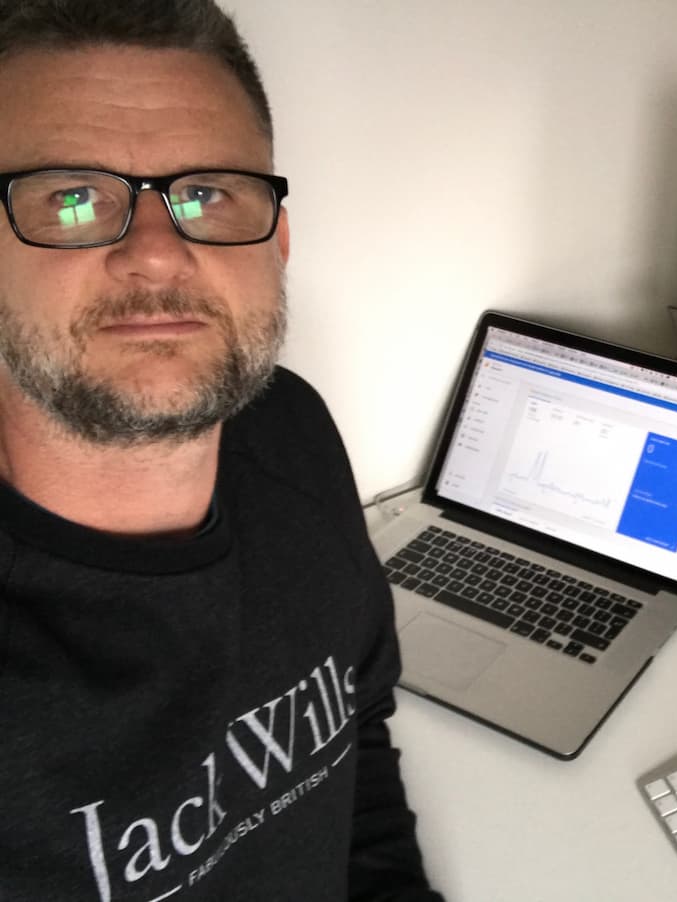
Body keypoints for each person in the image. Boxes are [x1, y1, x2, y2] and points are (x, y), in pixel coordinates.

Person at [0, 2, 443, 900]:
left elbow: (354, 734)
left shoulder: (292, 431)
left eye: (207, 194)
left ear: (278, 241)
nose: (157, 255)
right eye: (71, 198)